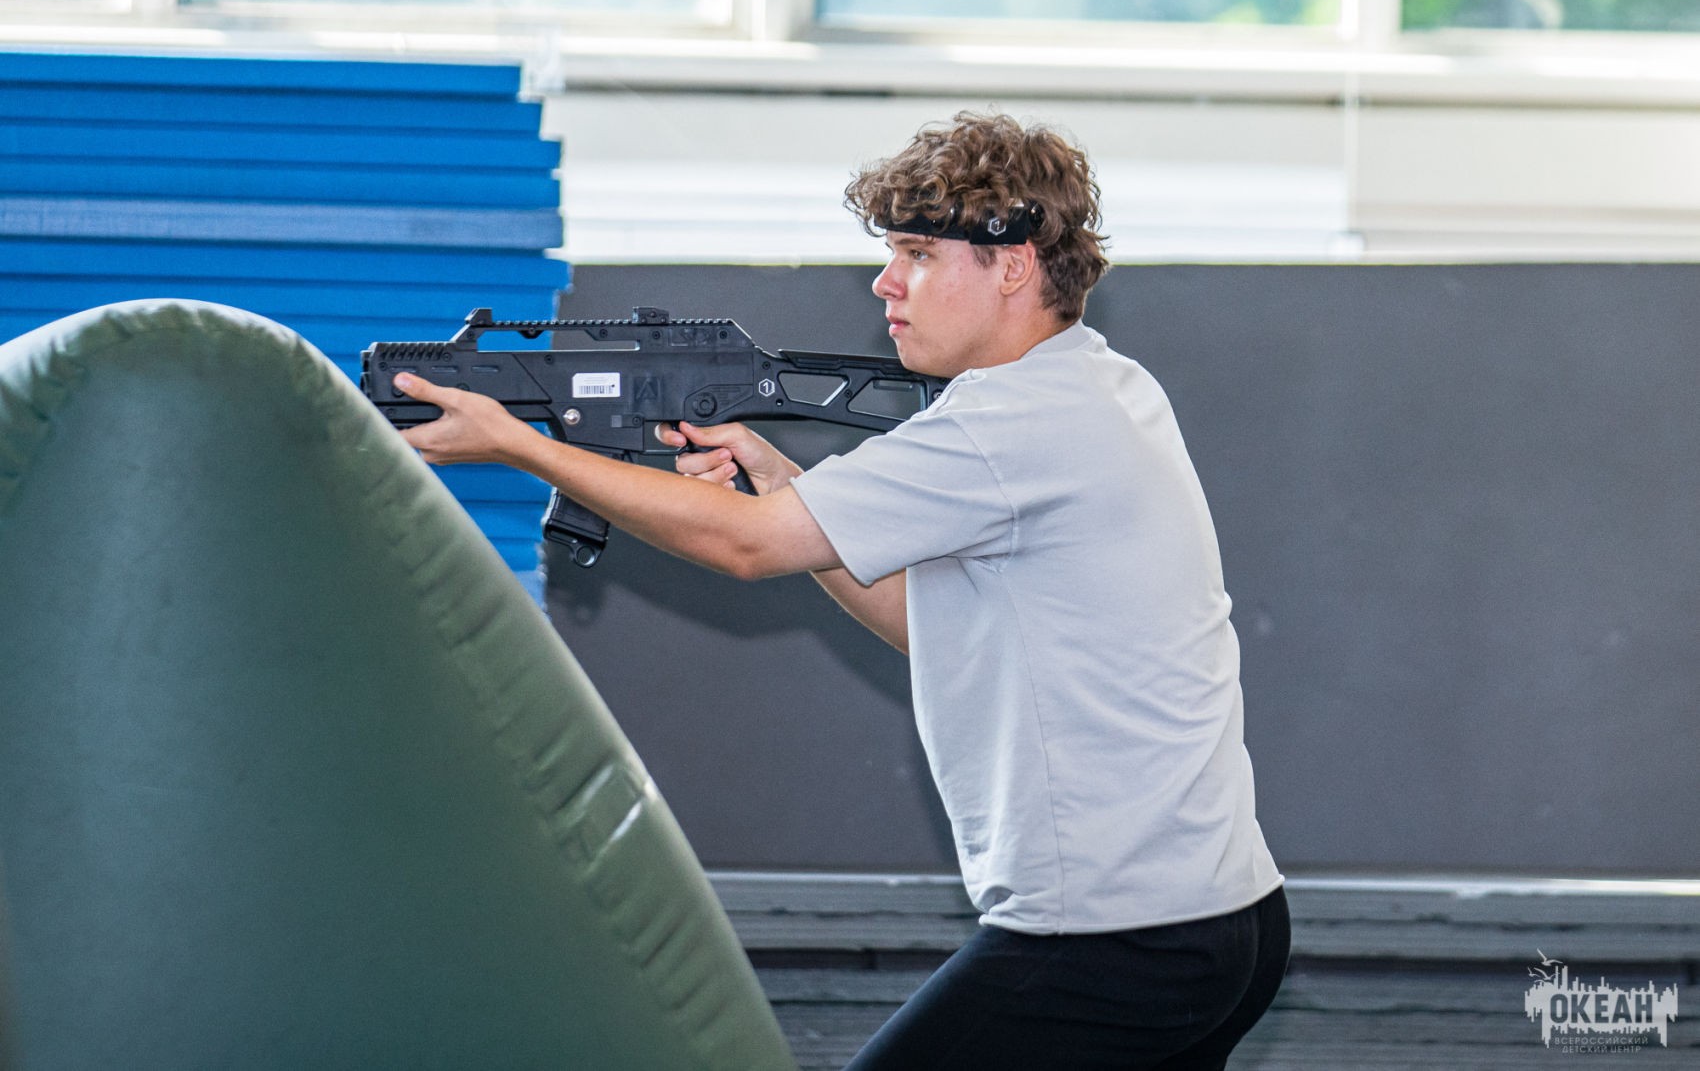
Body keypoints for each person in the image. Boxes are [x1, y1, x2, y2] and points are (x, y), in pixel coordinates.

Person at [391, 110, 1288, 1070]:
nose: (885, 282)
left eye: (918, 254)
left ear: (1014, 265)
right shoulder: (1102, 385)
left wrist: (517, 444)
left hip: (1114, 941)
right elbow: (932, 624)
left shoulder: (1005, 422)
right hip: (1226, 914)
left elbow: (744, 547)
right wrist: (786, 482)